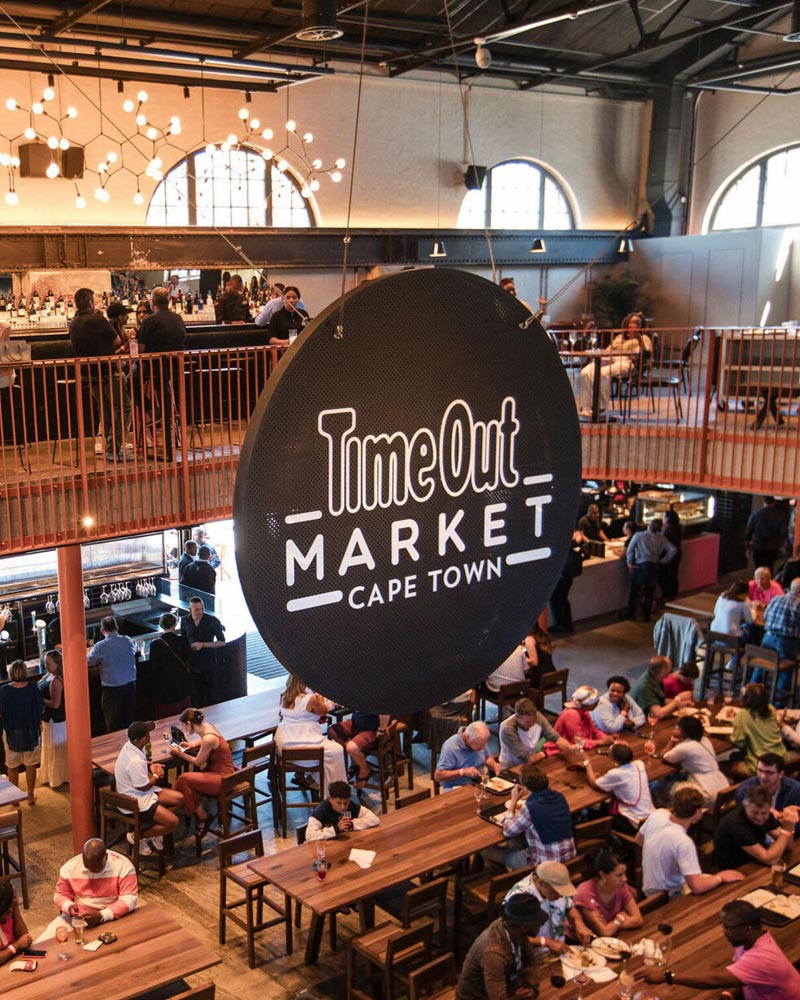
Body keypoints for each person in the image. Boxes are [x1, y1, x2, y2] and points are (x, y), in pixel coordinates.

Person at [640, 899, 800, 998]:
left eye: (729, 927)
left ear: (747, 929)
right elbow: (742, 973)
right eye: (723, 926)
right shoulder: (751, 941)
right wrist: (732, 992)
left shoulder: (762, 957)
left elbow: (714, 979)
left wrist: (667, 976)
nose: (724, 932)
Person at [636, 784, 744, 897]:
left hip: (649, 885)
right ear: (697, 812)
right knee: (722, 889)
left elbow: (638, 840)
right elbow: (697, 887)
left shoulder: (658, 814)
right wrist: (720, 877)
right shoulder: (684, 842)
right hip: (668, 895)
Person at [69, 286, 130, 462]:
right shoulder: (98, 320)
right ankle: (114, 447)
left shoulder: (74, 323)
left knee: (105, 408)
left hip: (88, 373)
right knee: (123, 408)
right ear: (90, 302)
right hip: (107, 370)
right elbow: (117, 341)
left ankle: (107, 445)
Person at [38, 837, 138, 940]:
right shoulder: (69, 868)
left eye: (97, 868)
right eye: (87, 866)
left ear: (106, 856)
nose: (91, 871)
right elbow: (60, 895)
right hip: (78, 918)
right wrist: (69, 906)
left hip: (113, 917)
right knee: (43, 942)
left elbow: (129, 899)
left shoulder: (124, 866)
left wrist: (102, 915)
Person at [456, 892, 545, 1000]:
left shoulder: (515, 930)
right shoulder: (494, 953)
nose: (541, 924)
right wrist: (517, 996)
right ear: (524, 926)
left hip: (505, 987)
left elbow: (531, 963)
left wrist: (531, 987)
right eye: (538, 922)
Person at [485, 765, 575, 870]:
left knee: (487, 851)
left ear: (525, 788)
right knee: (514, 843)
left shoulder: (531, 808)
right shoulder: (559, 797)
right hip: (569, 859)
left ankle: (509, 878)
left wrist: (513, 801)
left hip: (546, 868)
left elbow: (507, 831)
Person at [114, 720, 184, 854]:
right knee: (173, 822)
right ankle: (138, 836)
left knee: (179, 798)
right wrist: (157, 775)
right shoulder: (133, 761)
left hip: (142, 792)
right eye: (147, 734)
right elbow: (143, 787)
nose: (150, 735)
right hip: (135, 800)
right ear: (143, 739)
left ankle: (154, 829)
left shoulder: (132, 745)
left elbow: (143, 762)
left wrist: (150, 765)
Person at [136, 286, 187, 461]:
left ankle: (152, 410)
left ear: (152, 303)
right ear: (169, 301)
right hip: (176, 367)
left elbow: (140, 350)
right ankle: (166, 410)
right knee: (161, 386)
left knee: (129, 381)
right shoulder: (178, 318)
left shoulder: (149, 321)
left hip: (155, 367)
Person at [170, 706, 235, 837]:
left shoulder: (208, 739)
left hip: (223, 779)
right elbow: (204, 739)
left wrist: (180, 754)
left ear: (189, 723)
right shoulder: (208, 726)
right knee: (187, 784)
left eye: (184, 726)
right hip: (220, 770)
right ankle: (202, 816)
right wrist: (192, 745)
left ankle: (177, 806)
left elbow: (198, 762)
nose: (184, 729)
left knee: (183, 779)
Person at [502, 862, 593, 955]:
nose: (561, 895)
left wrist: (579, 923)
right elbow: (509, 936)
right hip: (534, 956)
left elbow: (570, 907)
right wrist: (544, 942)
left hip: (561, 950)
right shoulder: (519, 897)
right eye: (556, 892)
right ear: (541, 882)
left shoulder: (556, 889)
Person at [275, 674, 347, 788]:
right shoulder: (310, 699)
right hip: (303, 742)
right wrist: (318, 693)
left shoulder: (284, 695)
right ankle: (334, 788)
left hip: (285, 744)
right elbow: (323, 711)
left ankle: (312, 779)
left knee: (327, 753)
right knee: (336, 750)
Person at [578, 312, 651, 417]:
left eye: (636, 324)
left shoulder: (644, 338)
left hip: (627, 362)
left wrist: (638, 338)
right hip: (610, 359)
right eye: (630, 324)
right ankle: (586, 407)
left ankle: (599, 407)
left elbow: (646, 354)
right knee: (585, 372)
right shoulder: (619, 337)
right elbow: (608, 350)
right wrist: (605, 357)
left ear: (641, 326)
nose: (632, 326)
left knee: (602, 373)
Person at [714, 783, 793, 870]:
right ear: (745, 805)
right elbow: (769, 860)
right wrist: (786, 831)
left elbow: (788, 846)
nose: (759, 817)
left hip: (754, 861)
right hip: (736, 869)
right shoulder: (736, 825)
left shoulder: (767, 815)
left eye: (764, 813)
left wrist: (789, 826)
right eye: (754, 812)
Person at [0, 659, 43, 805]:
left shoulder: (5, 690)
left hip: (12, 731)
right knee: (30, 764)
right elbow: (40, 708)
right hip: (31, 730)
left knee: (12, 765)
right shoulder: (33, 688)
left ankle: (15, 798)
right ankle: (30, 795)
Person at [571, 851, 643, 938]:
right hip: (581, 942)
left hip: (612, 937)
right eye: (619, 875)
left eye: (625, 873)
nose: (625, 879)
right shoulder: (585, 893)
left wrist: (614, 925)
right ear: (603, 875)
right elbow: (605, 932)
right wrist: (620, 918)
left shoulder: (621, 886)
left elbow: (638, 919)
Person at [583, 741, 654, 830]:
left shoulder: (615, 774)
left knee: (595, 815)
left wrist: (587, 761)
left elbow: (594, 784)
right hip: (650, 816)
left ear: (615, 759)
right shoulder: (639, 764)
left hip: (634, 822)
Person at [661, 715, 729, 807]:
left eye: (677, 727)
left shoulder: (685, 747)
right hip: (722, 785)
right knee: (677, 776)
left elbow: (665, 756)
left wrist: (672, 739)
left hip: (707, 792)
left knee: (660, 785)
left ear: (682, 731)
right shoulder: (705, 740)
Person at [87, 615, 137, 733]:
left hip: (112, 690)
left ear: (102, 630)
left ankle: (115, 744)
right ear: (117, 627)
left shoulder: (101, 646)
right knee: (130, 721)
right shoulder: (127, 640)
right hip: (130, 686)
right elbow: (134, 651)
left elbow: (89, 662)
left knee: (113, 724)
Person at [625, 518, 677, 621]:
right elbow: (673, 549)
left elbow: (630, 550)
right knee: (649, 592)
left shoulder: (639, 536)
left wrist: (630, 564)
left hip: (640, 566)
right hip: (654, 566)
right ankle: (646, 615)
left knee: (635, 591)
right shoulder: (662, 539)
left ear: (649, 526)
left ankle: (632, 614)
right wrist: (663, 560)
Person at [498, 698, 573, 769]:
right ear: (517, 717)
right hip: (512, 767)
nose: (532, 724)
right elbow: (526, 759)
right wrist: (544, 754)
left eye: (534, 720)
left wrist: (571, 748)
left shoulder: (538, 717)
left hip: (532, 761)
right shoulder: (508, 729)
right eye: (527, 722)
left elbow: (555, 738)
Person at [730, 683, 786, 778]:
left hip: (760, 764)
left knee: (724, 766)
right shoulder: (771, 709)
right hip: (780, 757)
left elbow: (739, 742)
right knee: (735, 756)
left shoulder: (743, 714)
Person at [735, 752, 800, 827]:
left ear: (780, 774)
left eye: (769, 772)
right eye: (760, 770)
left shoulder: (795, 789)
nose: (762, 776)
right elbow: (743, 822)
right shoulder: (745, 790)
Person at [182, 596, 226, 708]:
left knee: (211, 695)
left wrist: (203, 645)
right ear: (190, 609)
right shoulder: (185, 621)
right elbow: (183, 640)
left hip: (208, 663)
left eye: (202, 608)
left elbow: (222, 642)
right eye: (196, 609)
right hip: (193, 664)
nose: (200, 612)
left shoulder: (212, 621)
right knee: (196, 696)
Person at [328, 712, 391, 790]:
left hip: (373, 729)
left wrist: (382, 729)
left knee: (352, 748)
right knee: (332, 730)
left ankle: (365, 769)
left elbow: (385, 712)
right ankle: (355, 759)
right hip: (357, 723)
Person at [759, 577, 800, 696]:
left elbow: (765, 617)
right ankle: (778, 701)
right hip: (786, 642)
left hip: (768, 637)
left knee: (761, 665)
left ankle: (751, 695)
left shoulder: (776, 599)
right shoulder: (798, 604)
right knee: (786, 671)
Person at [434, 720, 502, 791]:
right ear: (467, 737)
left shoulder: (479, 739)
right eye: (479, 745)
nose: (483, 747)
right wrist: (462, 772)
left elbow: (487, 758)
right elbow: (438, 776)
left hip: (478, 782)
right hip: (457, 786)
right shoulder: (450, 748)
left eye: (485, 744)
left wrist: (494, 765)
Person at [146, 613, 192, 718]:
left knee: (167, 718)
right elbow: (190, 659)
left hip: (164, 687)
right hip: (182, 684)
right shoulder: (183, 641)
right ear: (175, 625)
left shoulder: (155, 645)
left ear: (161, 625)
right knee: (185, 715)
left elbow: (153, 667)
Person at [305, 779, 380, 840]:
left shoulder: (351, 806)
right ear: (330, 799)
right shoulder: (321, 810)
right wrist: (336, 829)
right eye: (339, 803)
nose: (343, 807)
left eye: (346, 803)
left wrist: (352, 824)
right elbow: (309, 835)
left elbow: (374, 819)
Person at [630, 655, 693, 721]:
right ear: (663, 671)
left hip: (649, 715)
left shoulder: (654, 677)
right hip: (638, 720)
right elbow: (659, 714)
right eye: (668, 669)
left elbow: (660, 700)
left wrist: (681, 703)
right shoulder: (645, 687)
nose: (670, 672)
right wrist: (678, 699)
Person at [40, 648, 68, 788]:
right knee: (52, 749)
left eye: (49, 664)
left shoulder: (56, 681)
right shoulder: (49, 676)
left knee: (56, 750)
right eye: (45, 663)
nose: (46, 666)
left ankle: (57, 777)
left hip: (55, 720)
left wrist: (40, 700)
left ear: (57, 664)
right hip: (50, 719)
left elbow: (55, 704)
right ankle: (52, 776)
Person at [549, 530, 583, 634]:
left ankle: (562, 625)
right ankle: (566, 625)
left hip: (562, 575)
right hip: (567, 574)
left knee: (557, 599)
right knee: (562, 600)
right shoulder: (573, 538)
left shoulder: (562, 541)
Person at [745, 497, 788, 574]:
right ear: (774, 502)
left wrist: (747, 546)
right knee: (770, 567)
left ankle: (758, 579)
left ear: (764, 502)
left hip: (758, 545)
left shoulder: (755, 514)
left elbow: (748, 532)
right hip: (773, 547)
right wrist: (780, 544)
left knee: (758, 567)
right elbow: (783, 533)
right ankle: (769, 579)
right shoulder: (780, 515)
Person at [0, 881, 30, 965]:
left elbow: (24, 938)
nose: (17, 900)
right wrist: (16, 946)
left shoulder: (9, 914)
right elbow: (20, 943)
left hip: (12, 961)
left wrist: (15, 909)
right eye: (15, 898)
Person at [659, 507, 683, 601]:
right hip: (676, 556)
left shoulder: (668, 530)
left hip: (668, 556)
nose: (662, 518)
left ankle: (666, 596)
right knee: (673, 575)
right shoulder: (678, 528)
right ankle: (672, 595)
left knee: (666, 576)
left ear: (668, 519)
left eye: (664, 517)